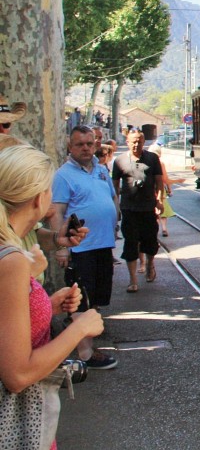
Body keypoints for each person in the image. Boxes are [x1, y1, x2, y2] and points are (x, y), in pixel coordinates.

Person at [0, 144, 105, 450]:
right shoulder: (13, 260)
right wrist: (79, 328)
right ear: (38, 198)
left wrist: (47, 304)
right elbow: (18, 375)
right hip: (17, 423)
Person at [48, 125, 119, 370]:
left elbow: (111, 198)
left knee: (97, 296)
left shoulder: (100, 171)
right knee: (81, 300)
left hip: (102, 244)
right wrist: (61, 247)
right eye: (80, 144)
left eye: (90, 143)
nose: (86, 148)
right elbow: (56, 213)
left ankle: (86, 343)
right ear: (70, 147)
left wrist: (115, 222)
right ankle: (85, 354)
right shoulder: (63, 175)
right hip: (80, 247)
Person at [111, 129, 164, 292]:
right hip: (129, 208)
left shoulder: (152, 158)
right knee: (131, 243)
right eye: (133, 141)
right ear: (127, 142)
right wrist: (116, 207)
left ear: (144, 142)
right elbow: (114, 186)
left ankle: (150, 264)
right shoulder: (119, 160)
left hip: (148, 207)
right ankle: (133, 279)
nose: (136, 144)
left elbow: (159, 182)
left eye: (139, 141)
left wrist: (160, 201)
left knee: (150, 241)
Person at [149, 145, 185, 237]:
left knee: (152, 212)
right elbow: (165, 180)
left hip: (148, 190)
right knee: (162, 210)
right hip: (159, 190)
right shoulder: (160, 163)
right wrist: (178, 181)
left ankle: (154, 232)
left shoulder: (146, 162)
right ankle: (164, 229)